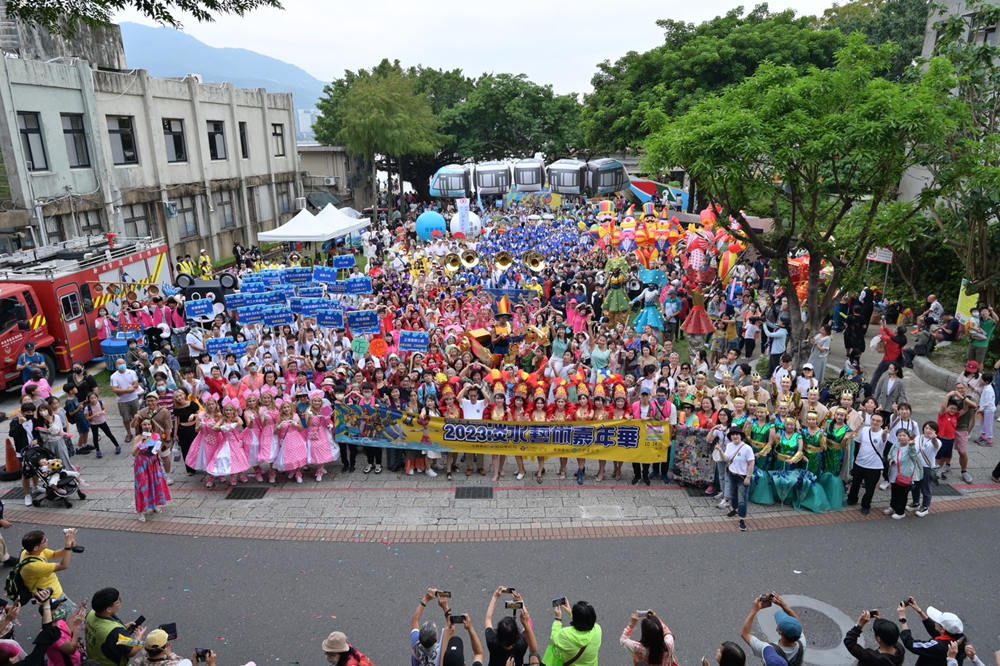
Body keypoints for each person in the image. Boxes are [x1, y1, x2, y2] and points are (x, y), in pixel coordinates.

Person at [18, 529, 78, 619]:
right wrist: (67, 547)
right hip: (51, 595)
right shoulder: (33, 566)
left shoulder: (30, 552)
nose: (47, 540)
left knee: (61, 617)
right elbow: (63, 565)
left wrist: (69, 546)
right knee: (70, 617)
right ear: (36, 548)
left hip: (50, 591)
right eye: (44, 540)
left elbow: (54, 554)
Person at [84, 587, 146, 666]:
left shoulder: (91, 614)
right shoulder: (115, 632)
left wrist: (124, 628)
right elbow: (131, 652)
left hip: (94, 658)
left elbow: (106, 634)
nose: (120, 602)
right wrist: (139, 639)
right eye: (117, 602)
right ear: (108, 609)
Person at [740, 593, 804, 666]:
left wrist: (755, 610)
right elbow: (798, 625)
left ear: (778, 630)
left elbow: (745, 634)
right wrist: (784, 606)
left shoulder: (767, 649)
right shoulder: (801, 644)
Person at [898, 598, 966, 666]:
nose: (934, 622)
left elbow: (911, 644)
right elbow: (934, 630)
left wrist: (902, 618)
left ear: (942, 629)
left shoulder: (938, 646)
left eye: (936, 621)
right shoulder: (956, 640)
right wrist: (919, 611)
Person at [847, 413, 887, 515]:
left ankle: (865, 505)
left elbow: (883, 440)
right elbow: (858, 443)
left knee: (870, 488)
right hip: (860, 463)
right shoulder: (864, 430)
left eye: (878, 421)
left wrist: (885, 435)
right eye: (873, 419)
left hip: (874, 467)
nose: (875, 422)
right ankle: (852, 499)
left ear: (882, 423)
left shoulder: (884, 434)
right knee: (855, 484)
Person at [547, 600, 601, 666]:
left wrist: (558, 619)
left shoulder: (566, 635)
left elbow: (555, 638)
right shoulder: (598, 630)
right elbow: (585, 622)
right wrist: (571, 613)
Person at [484, 587, 528, 666]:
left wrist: (495, 596)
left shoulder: (492, 642)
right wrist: (521, 603)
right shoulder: (521, 644)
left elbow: (488, 619)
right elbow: (528, 625)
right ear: (517, 633)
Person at [725, 428, 755, 532]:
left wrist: (748, 477)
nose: (735, 436)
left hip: (743, 476)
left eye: (737, 434)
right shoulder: (729, 445)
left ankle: (742, 519)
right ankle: (734, 509)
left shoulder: (747, 448)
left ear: (741, 436)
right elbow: (726, 458)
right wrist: (719, 451)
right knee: (733, 494)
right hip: (732, 473)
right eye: (733, 435)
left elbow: (751, 463)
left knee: (742, 499)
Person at [109, 359, 142, 446]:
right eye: (119, 363)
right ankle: (129, 433)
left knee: (137, 417)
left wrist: (125, 390)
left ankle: (138, 432)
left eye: (123, 363)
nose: (121, 364)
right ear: (116, 366)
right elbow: (115, 389)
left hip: (134, 398)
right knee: (126, 419)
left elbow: (136, 384)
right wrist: (127, 391)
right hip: (122, 401)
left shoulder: (132, 372)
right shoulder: (114, 376)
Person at [411, 588, 447, 666]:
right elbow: (451, 628)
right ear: (436, 639)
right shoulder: (440, 653)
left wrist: (426, 599)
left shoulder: (415, 643)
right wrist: (445, 607)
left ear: (419, 636)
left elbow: (415, 619)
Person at [131, 628, 201, 666]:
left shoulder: (138, 662)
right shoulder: (174, 664)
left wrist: (138, 639)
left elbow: (147, 650)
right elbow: (184, 663)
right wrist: (170, 654)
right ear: (167, 646)